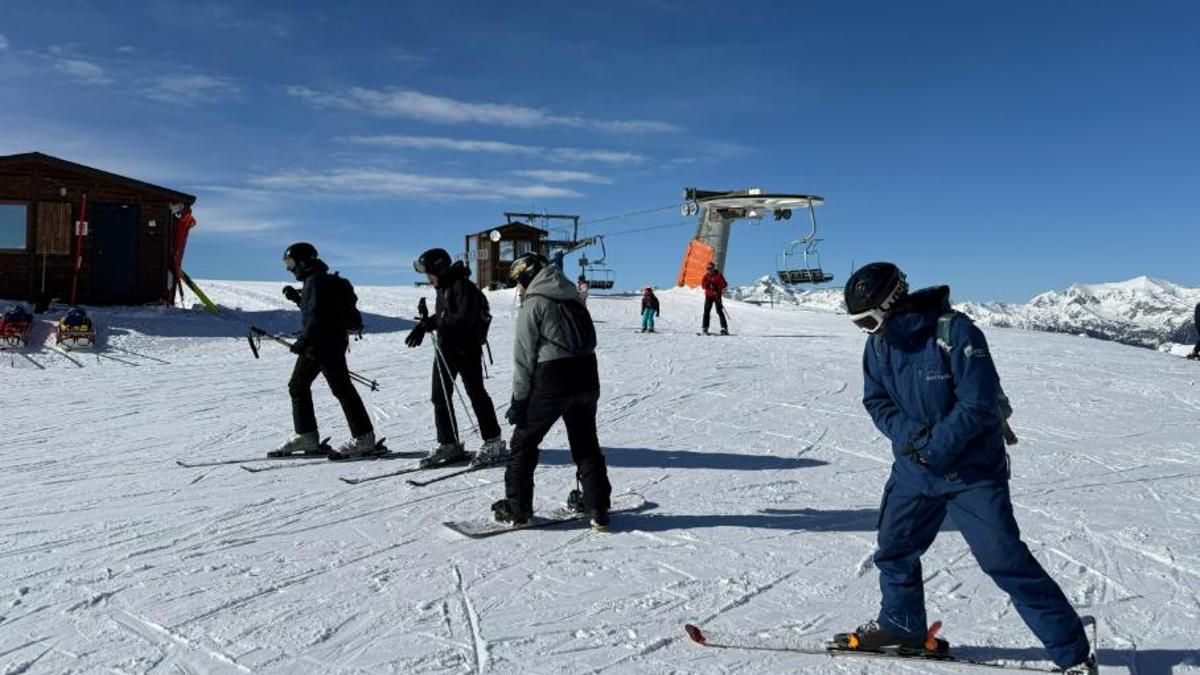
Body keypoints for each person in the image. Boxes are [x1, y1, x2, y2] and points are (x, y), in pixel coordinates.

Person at [835, 262, 1094, 674]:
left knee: (1003, 559)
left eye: (868, 320)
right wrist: (911, 439)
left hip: (971, 473)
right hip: (914, 471)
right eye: (859, 324)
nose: (867, 331)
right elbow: (877, 401)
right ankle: (901, 626)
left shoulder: (956, 333)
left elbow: (978, 404)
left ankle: (1073, 654)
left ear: (891, 303)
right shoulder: (879, 345)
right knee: (895, 550)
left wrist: (933, 447)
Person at [492, 253, 612, 528]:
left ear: (526, 276)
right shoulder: (573, 298)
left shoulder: (534, 303)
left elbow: (523, 358)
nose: (519, 289)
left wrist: (519, 400)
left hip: (554, 378)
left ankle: (517, 508)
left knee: (524, 440)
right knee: (585, 442)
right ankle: (597, 507)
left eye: (519, 282)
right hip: (587, 375)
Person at [273, 243, 377, 458]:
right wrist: (297, 299)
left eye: (291, 263)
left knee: (338, 388)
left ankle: (362, 438)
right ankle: (308, 435)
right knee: (300, 385)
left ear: (303, 261)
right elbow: (317, 309)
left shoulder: (315, 282)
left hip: (322, 344)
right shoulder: (318, 280)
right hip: (327, 342)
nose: (289, 268)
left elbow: (316, 317)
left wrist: (303, 341)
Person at [407, 248, 506, 468]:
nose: (427, 277)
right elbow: (447, 316)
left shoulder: (463, 286)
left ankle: (493, 441)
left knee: (476, 393)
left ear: (439, 269)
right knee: (439, 396)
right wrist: (425, 324)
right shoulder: (443, 287)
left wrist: (433, 323)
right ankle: (448, 443)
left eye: (429, 272)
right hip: (447, 348)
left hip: (466, 349)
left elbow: (463, 318)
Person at [700, 262, 728, 335]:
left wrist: (717, 288)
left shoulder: (719, 275)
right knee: (706, 311)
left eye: (710, 268)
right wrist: (707, 285)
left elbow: (724, 284)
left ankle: (724, 328)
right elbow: (703, 285)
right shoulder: (706, 276)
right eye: (708, 268)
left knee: (719, 311)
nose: (709, 270)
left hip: (717, 295)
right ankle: (705, 327)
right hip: (709, 296)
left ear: (713, 268)